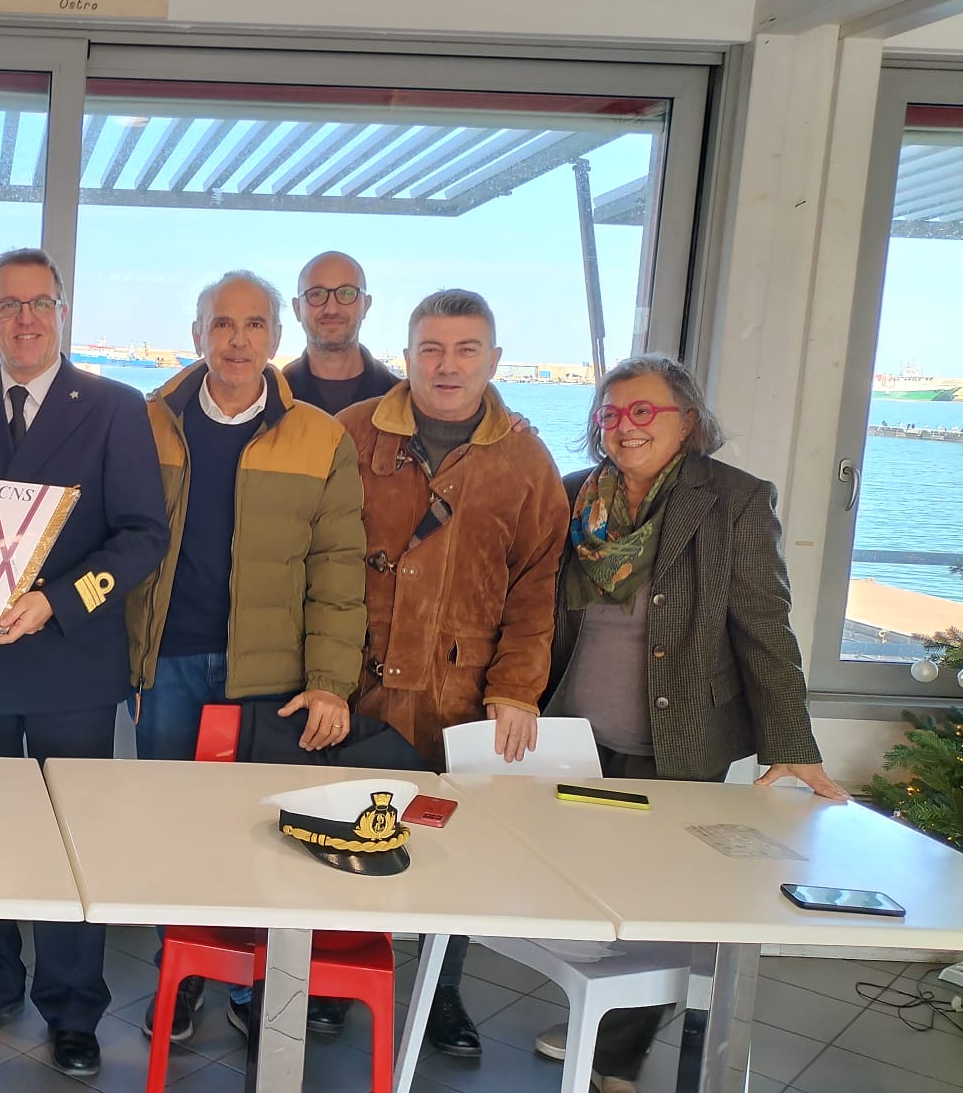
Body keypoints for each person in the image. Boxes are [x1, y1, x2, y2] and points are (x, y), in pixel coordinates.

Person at [531, 354, 848, 1093]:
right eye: (611, 413)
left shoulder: (733, 500)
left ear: (689, 422)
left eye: (644, 411)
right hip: (574, 736)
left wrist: (791, 743)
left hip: (678, 737)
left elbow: (765, 628)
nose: (625, 426)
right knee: (585, 889)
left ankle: (615, 1055)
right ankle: (598, 1013)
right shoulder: (575, 498)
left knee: (656, 900)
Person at [0, 248, 168, 1078]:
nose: (24, 319)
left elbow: (142, 535)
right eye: (8, 305)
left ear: (62, 311)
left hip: (72, 656)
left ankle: (72, 1010)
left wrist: (59, 601)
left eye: (39, 303)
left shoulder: (114, 406)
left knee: (71, 839)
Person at [125, 270, 368, 1042]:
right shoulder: (146, 423)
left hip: (268, 677)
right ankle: (181, 973)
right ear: (197, 335)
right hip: (167, 666)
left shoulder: (321, 439)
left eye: (254, 324)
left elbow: (338, 571)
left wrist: (330, 682)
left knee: (260, 837)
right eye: (222, 324)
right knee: (173, 830)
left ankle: (253, 979)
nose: (237, 340)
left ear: (277, 336)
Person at [336, 288, 570, 1059]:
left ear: (493, 360)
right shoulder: (351, 434)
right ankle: (335, 979)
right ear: (406, 357)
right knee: (348, 830)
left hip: (464, 699)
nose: (448, 365)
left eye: (466, 350)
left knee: (456, 850)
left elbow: (537, 587)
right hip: (358, 685)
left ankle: (441, 991)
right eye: (432, 349)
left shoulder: (526, 462)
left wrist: (517, 690)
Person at [280, 251, 399, 413]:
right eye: (316, 294)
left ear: (366, 305)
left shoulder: (399, 401)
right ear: (297, 309)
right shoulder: (272, 398)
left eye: (347, 293)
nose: (331, 309)